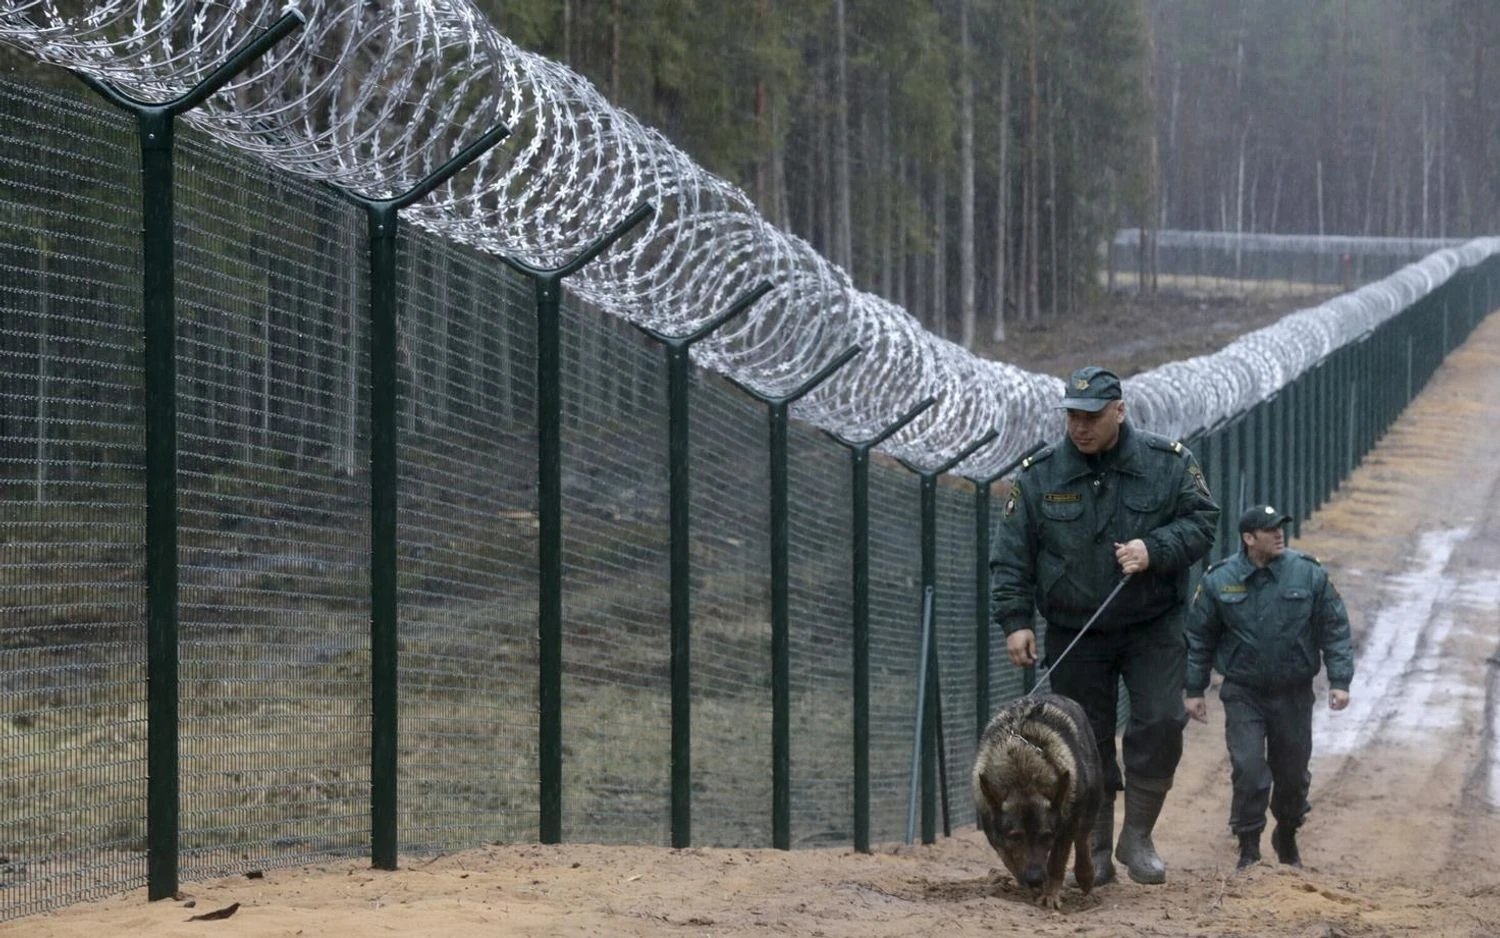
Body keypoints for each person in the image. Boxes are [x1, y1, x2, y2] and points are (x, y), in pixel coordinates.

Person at [991, 365, 1220, 886]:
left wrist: (1153, 548)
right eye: (1072, 415)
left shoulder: (1168, 465)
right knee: (1081, 742)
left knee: (1162, 721)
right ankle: (1092, 845)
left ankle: (1137, 834)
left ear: (1119, 411)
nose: (1080, 427)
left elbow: (1203, 521)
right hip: (1075, 630)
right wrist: (1015, 621)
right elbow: (1011, 556)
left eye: (1091, 416)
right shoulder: (1039, 475)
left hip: (1152, 623)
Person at [1184, 504, 1354, 870]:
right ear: (1248, 538)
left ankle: (1287, 833)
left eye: (1281, 527)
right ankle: (1249, 847)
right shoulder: (1219, 580)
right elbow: (1200, 638)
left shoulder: (1307, 574)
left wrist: (1340, 681)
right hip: (1244, 692)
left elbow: (1334, 628)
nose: (1279, 534)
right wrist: (1194, 689)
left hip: (1293, 692)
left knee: (1292, 774)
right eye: (1269, 529)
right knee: (1248, 769)